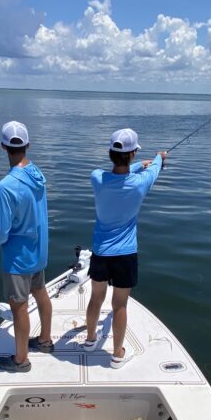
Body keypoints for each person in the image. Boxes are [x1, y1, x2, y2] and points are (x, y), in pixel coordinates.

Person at [84, 128, 167, 368]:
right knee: (119, 305)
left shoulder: (96, 178)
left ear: (111, 153)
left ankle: (90, 340)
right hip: (125, 254)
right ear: (131, 154)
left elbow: (118, 173)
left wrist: (138, 163)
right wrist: (158, 157)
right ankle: (117, 353)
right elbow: (156, 166)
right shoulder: (140, 183)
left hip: (100, 251)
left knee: (96, 298)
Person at [0, 121, 53, 372]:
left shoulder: (4, 187)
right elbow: (27, 211)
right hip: (38, 251)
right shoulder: (37, 175)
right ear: (28, 145)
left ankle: (21, 360)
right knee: (41, 293)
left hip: (17, 259)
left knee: (19, 306)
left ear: (3, 147)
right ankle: (45, 340)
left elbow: (1, 234)